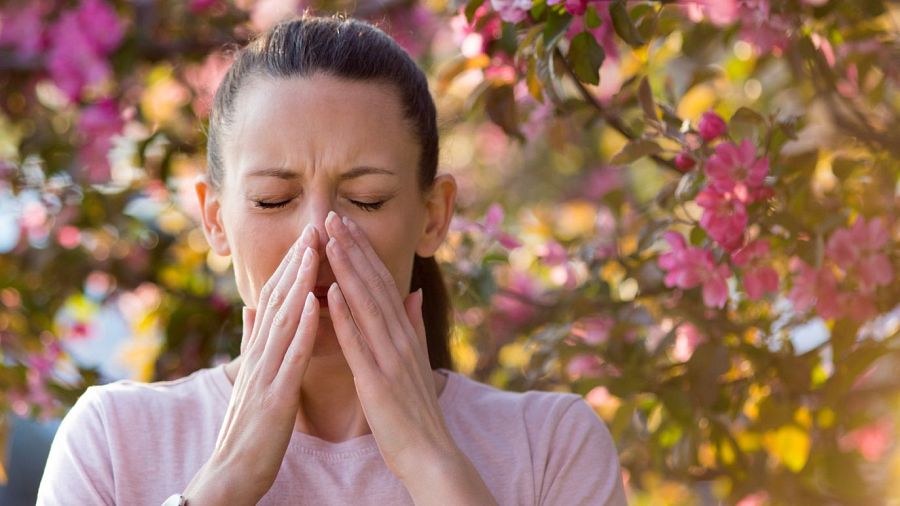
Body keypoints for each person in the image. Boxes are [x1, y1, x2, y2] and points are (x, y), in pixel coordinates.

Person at [36, 15, 627, 506]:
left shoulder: (549, 444)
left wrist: (432, 464)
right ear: (215, 219)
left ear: (433, 215)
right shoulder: (114, 441)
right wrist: (229, 478)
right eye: (274, 199)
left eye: (367, 199)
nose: (318, 233)